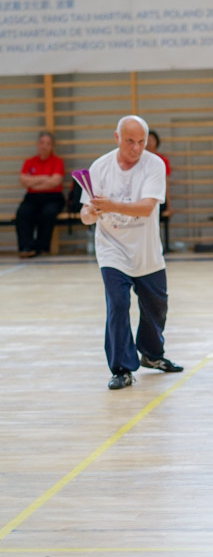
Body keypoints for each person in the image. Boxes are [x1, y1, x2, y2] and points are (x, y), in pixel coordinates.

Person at [80, 115, 183, 390]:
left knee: (156, 308)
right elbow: (85, 216)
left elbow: (146, 207)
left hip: (147, 252)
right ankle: (122, 368)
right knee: (118, 305)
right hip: (111, 250)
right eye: (130, 141)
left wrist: (110, 205)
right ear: (116, 137)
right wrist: (90, 212)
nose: (136, 147)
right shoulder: (100, 167)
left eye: (141, 142)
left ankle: (151, 354)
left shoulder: (154, 165)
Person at [15, 131, 65, 258]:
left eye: (48, 144)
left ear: (52, 146)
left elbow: (55, 182)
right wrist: (45, 178)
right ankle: (26, 247)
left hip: (53, 197)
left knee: (48, 212)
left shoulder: (57, 161)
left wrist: (34, 182)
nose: (44, 146)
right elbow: (23, 181)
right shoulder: (30, 162)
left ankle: (41, 247)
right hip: (32, 197)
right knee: (22, 213)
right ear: (38, 144)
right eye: (42, 143)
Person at [146, 130, 173, 219]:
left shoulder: (162, 160)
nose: (149, 143)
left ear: (157, 142)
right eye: (147, 140)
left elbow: (166, 183)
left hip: (158, 196)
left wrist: (169, 206)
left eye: (152, 140)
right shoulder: (139, 161)